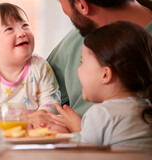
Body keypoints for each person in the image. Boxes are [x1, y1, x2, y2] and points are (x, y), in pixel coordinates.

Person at [29, 0, 152, 130]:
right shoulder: (77, 38)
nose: (64, 10)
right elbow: (41, 99)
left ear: (81, 5)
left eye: (59, 0)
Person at [48, 21, 152, 151]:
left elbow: (83, 153)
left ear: (105, 75)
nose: (78, 70)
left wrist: (60, 137)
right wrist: (78, 128)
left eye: (82, 63)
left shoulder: (101, 113)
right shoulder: (146, 107)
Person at [0, 3, 60, 127]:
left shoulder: (40, 66)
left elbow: (51, 101)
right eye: (9, 29)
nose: (22, 33)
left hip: (33, 134)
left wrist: (40, 117)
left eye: (25, 25)